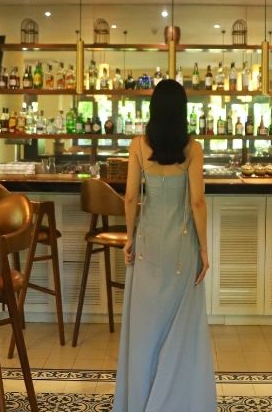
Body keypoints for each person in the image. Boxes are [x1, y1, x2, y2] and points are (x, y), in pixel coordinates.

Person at [112, 79, 216, 412]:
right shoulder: (193, 149)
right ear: (182, 112)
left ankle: (142, 398)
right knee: (182, 324)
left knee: (145, 324)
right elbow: (197, 202)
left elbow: (130, 197)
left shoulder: (138, 146)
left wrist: (130, 237)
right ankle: (179, 400)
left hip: (147, 244)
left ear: (153, 109)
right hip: (182, 246)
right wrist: (204, 248)